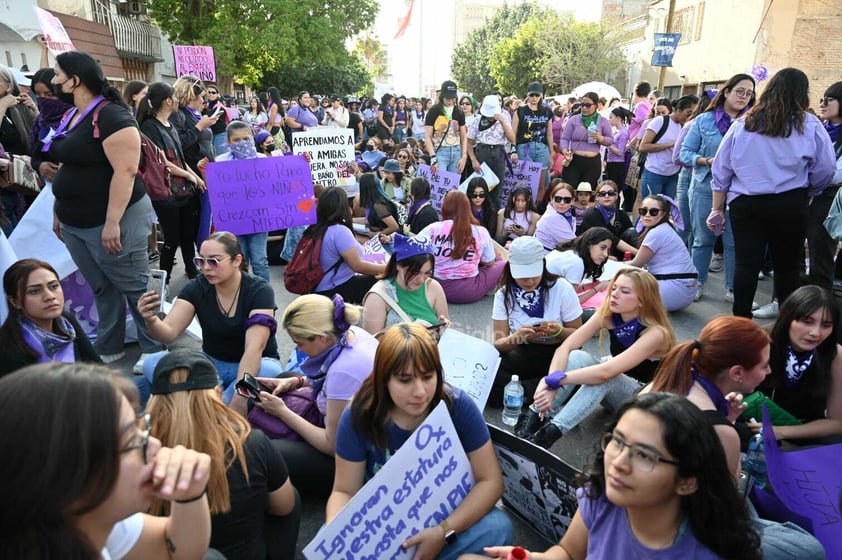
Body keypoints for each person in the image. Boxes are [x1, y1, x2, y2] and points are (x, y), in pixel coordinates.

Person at [471, 393, 762, 560]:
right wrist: (532, 558)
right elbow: (569, 553)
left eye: (646, 455)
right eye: (618, 442)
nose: (618, 463)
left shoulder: (705, 552)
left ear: (687, 481)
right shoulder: (602, 496)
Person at [327, 323, 514, 560]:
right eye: (404, 380)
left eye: (428, 377)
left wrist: (443, 532)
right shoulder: (359, 414)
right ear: (383, 379)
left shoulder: (457, 405)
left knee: (498, 528)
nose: (420, 392)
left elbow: (490, 481)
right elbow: (344, 490)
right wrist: (337, 540)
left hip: (446, 518)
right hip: (383, 530)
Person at [648, 316, 827, 560]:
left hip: (652, 509)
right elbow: (727, 504)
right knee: (809, 548)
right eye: (764, 365)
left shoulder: (672, 377)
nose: (770, 370)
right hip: (679, 533)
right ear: (737, 373)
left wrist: (728, 418)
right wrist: (728, 427)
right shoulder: (720, 432)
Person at [0, 361, 213, 559]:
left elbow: (173, 548)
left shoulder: (87, 519)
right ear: (65, 477)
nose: (155, 445)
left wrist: (189, 495)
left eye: (142, 430)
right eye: (131, 440)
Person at [46, 51, 161, 364]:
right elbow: (68, 166)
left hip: (112, 221)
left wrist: (113, 222)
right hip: (75, 223)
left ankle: (154, 351)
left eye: (57, 75)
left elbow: (125, 172)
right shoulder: (73, 114)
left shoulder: (113, 117)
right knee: (101, 286)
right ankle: (110, 347)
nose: (53, 81)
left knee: (135, 286)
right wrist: (59, 210)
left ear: (75, 80)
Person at [146, 350, 300, 560]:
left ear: (155, 401)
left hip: (174, 552)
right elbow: (284, 507)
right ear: (217, 393)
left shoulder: (141, 457)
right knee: (290, 495)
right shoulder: (252, 443)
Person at [711, 68, 836, 317]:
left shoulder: (744, 123)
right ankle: (787, 329)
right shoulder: (809, 124)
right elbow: (826, 168)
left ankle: (740, 324)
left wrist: (717, 208)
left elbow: (721, 168)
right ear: (803, 93)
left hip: (746, 203)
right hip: (790, 202)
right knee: (787, 268)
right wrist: (810, 190)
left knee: (746, 265)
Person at [519, 269, 675, 449]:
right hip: (617, 387)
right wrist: (549, 384)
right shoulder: (609, 315)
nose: (614, 294)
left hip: (646, 402)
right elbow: (566, 347)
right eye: (614, 288)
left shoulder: (656, 333)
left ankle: (545, 438)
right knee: (577, 356)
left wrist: (557, 379)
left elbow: (606, 372)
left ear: (643, 300)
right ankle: (530, 424)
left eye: (625, 291)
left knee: (605, 376)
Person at [137, 231, 283, 408]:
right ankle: (211, 402)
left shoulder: (259, 290)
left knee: (270, 372)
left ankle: (209, 403)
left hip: (256, 362)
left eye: (214, 261)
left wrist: (241, 394)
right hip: (211, 363)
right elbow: (168, 333)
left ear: (237, 260)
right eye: (200, 261)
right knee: (153, 362)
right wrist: (151, 319)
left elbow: (255, 347)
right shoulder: (196, 287)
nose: (206, 268)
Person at [257, 294, 378, 494]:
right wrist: (297, 381)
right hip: (356, 427)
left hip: (353, 463)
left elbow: (333, 445)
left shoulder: (343, 371)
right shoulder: (352, 333)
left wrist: (283, 412)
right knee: (287, 376)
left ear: (322, 338)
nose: (298, 349)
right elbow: (330, 380)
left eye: (300, 343)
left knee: (270, 452)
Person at [679, 74, 755, 303]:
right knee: (703, 239)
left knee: (735, 241)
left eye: (749, 94)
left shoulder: (753, 123)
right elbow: (684, 154)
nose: (744, 97)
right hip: (705, 185)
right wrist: (707, 161)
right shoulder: (704, 120)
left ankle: (733, 288)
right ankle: (697, 282)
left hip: (739, 190)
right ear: (726, 92)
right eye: (740, 91)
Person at [492, 236, 583, 404]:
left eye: (534, 274)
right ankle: (538, 392)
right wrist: (518, 336)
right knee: (490, 370)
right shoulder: (503, 295)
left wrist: (559, 331)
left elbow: (579, 334)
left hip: (557, 353)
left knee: (576, 368)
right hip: (523, 351)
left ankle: (523, 393)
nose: (530, 281)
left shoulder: (562, 288)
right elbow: (499, 343)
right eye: (523, 276)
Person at [746, 285, 842, 442]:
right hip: (752, 424)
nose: (815, 333)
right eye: (807, 321)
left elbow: (837, 423)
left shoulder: (835, 355)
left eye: (826, 325)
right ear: (788, 317)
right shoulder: (759, 341)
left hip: (804, 432)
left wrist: (782, 432)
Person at [137, 82, 204, 283]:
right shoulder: (150, 127)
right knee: (171, 239)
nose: (177, 100)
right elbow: (162, 162)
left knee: (187, 234)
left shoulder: (170, 125)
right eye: (174, 97)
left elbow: (180, 157)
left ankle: (192, 271)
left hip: (183, 190)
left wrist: (196, 176)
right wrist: (189, 175)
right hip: (165, 192)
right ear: (168, 101)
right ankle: (162, 282)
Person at [0, 258, 100, 375]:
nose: (49, 296)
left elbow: (97, 365)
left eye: (53, 286)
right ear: (15, 302)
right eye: (34, 291)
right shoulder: (8, 349)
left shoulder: (65, 321)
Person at [417, 190, 505, 304]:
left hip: (435, 287)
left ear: (445, 207)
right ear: (467, 209)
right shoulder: (480, 232)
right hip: (469, 291)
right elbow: (490, 262)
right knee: (503, 264)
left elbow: (414, 249)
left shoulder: (433, 228)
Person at [307, 186, 385, 303]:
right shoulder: (339, 231)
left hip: (320, 287)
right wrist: (388, 268)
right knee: (382, 281)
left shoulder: (317, 226)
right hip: (333, 290)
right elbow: (358, 266)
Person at [214, 121, 271, 282]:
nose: (242, 143)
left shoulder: (262, 160)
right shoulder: (220, 162)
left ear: (252, 139)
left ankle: (264, 299)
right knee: (240, 260)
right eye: (237, 140)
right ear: (228, 142)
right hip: (235, 221)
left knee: (260, 261)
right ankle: (243, 297)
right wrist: (205, 171)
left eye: (246, 139)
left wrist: (303, 162)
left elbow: (278, 183)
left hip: (259, 218)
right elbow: (213, 189)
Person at [362, 234, 449, 334]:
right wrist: (407, 332)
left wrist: (444, 327)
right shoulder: (377, 297)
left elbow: (446, 326)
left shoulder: (433, 287)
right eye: (414, 272)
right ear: (398, 265)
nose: (421, 280)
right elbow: (371, 342)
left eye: (427, 273)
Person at [626, 195, 698, 311]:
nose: (647, 215)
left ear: (664, 214)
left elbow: (636, 264)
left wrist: (611, 265)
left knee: (622, 289)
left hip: (672, 290)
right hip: (685, 292)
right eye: (643, 211)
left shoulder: (656, 232)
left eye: (653, 211)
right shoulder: (666, 228)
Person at [638, 95, 698, 200]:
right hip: (654, 172)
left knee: (666, 208)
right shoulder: (660, 121)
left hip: (673, 174)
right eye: (688, 113)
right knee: (650, 209)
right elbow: (643, 146)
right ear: (679, 110)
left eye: (694, 114)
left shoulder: (686, 126)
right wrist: (671, 144)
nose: (690, 117)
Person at [813, 81, 842, 289]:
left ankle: (820, 309)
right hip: (807, 194)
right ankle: (783, 302)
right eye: (822, 99)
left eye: (829, 99)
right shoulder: (818, 129)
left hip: (829, 198)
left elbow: (836, 174)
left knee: (821, 254)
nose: (822, 104)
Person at [546, 227, 614, 311]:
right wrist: (596, 289)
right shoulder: (576, 261)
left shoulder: (570, 253)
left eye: (608, 250)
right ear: (589, 244)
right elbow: (570, 305)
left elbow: (566, 291)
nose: (606, 254)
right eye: (602, 248)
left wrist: (586, 287)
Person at [467, 94, 516, 210]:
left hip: (499, 153)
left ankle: (495, 222)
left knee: (497, 191)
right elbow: (469, 142)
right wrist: (473, 160)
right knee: (481, 189)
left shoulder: (503, 119)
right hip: (482, 152)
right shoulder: (477, 120)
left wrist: (503, 122)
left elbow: (512, 138)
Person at [559, 92, 614, 190]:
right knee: (570, 189)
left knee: (587, 191)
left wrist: (600, 138)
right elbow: (564, 138)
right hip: (574, 161)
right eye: (582, 105)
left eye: (588, 105)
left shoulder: (602, 121)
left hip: (592, 163)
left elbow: (610, 140)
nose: (584, 108)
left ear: (596, 105)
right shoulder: (574, 120)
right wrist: (565, 151)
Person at [28, 67, 72, 184]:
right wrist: (41, 166)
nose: (44, 100)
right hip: (51, 187)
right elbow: (35, 156)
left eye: (49, 94)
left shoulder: (77, 116)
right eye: (38, 94)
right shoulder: (40, 121)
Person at [512, 82, 554, 194]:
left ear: (541, 96)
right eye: (531, 95)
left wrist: (551, 153)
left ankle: (538, 209)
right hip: (525, 148)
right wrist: (513, 150)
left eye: (537, 95)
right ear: (528, 95)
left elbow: (549, 134)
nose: (534, 98)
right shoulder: (520, 111)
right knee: (527, 183)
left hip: (542, 148)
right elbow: (513, 133)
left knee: (541, 183)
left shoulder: (547, 111)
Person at [579, 180, 638, 259]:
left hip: (616, 252)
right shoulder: (592, 214)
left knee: (632, 232)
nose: (606, 196)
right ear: (597, 197)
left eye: (610, 193)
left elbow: (631, 235)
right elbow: (609, 237)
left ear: (616, 196)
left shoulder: (621, 214)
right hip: (593, 251)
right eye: (602, 194)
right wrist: (638, 253)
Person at [425, 80, 467, 174]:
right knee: (440, 184)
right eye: (448, 98)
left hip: (456, 151)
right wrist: (433, 157)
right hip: (440, 152)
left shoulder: (459, 112)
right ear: (442, 96)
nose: (450, 101)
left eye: (453, 98)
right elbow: (427, 136)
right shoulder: (434, 111)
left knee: (453, 186)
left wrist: (464, 155)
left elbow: (464, 135)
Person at [535, 181, 577, 253]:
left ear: (573, 201)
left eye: (567, 200)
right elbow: (573, 244)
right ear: (551, 199)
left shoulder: (567, 214)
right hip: (545, 258)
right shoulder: (552, 218)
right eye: (558, 199)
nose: (562, 203)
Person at [604, 106, 632, 204]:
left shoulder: (623, 132)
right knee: (610, 188)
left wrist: (608, 144)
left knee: (614, 189)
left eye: (611, 117)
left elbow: (620, 152)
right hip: (611, 163)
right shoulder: (617, 131)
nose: (609, 119)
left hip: (617, 164)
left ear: (618, 118)